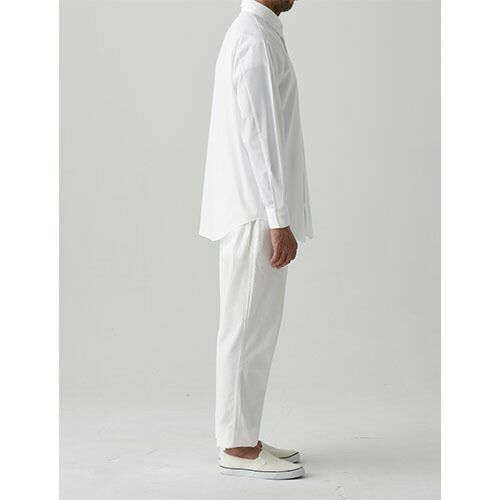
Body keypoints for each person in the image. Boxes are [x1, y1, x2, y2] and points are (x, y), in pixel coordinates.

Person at [199, 0, 313, 480]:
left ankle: (243, 433)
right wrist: (277, 217)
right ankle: (238, 446)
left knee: (253, 330)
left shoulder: (259, 34)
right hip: (255, 213)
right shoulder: (252, 38)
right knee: (246, 330)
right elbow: (258, 133)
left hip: (256, 210)